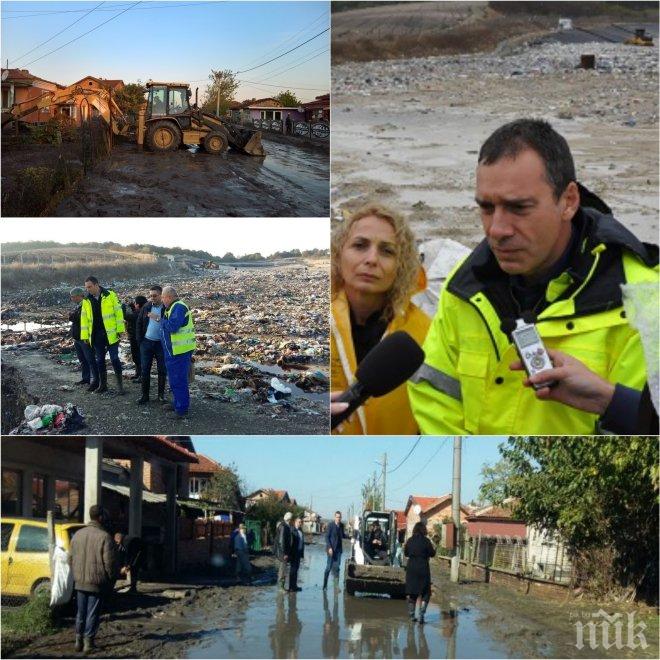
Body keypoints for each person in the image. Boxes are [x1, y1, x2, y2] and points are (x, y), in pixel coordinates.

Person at [409, 118, 658, 435]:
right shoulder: (465, 285)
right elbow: (433, 391)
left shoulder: (643, 300)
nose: (497, 230)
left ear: (568, 201)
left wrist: (610, 402)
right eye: (486, 207)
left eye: (519, 208)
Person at [331, 204, 431, 434]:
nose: (372, 259)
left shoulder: (426, 333)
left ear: (402, 265)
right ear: (338, 254)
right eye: (360, 245)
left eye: (387, 251)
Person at [69, 505, 116, 653]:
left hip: (79, 581)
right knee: (92, 613)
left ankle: (78, 641)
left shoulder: (77, 535)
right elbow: (109, 563)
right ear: (100, 517)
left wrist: (76, 573)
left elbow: (70, 558)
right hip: (96, 582)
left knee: (80, 612)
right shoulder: (105, 537)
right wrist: (111, 579)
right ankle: (88, 643)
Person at [148, 286, 196, 419]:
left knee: (178, 380)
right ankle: (177, 403)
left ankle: (181, 410)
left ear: (168, 297)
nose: (162, 300)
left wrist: (159, 319)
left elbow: (173, 327)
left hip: (179, 352)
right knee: (174, 380)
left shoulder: (179, 307)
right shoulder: (173, 307)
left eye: (163, 297)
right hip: (173, 352)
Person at [81, 276, 126, 395]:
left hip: (111, 334)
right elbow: (84, 320)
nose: (88, 289)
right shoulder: (86, 301)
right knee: (100, 360)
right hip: (96, 336)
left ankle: (120, 386)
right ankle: (103, 385)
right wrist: (85, 336)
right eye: (86, 288)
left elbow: (118, 312)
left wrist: (120, 329)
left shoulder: (110, 295)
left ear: (97, 285)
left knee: (115, 359)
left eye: (89, 287)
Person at [136, 285, 167, 405]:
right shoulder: (147, 306)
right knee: (145, 370)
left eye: (155, 295)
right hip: (146, 343)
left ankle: (160, 396)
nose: (152, 298)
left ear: (161, 295)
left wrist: (158, 318)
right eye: (150, 296)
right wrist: (140, 341)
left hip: (161, 344)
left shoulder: (166, 307)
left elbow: (169, 323)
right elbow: (139, 322)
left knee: (162, 370)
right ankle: (145, 396)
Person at [404, 522, 436, 624]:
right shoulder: (426, 541)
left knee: (412, 592)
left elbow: (406, 553)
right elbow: (432, 554)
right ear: (424, 530)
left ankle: (412, 615)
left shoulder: (409, 541)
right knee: (426, 592)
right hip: (423, 568)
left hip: (412, 568)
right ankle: (422, 613)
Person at [69, 287, 98, 389]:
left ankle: (95, 381)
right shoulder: (78, 306)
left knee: (90, 359)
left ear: (78, 296)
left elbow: (77, 318)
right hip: (77, 338)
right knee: (83, 360)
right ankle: (86, 379)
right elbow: (73, 317)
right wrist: (73, 316)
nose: (71, 299)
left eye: (72, 297)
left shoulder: (86, 305)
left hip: (84, 338)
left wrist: (72, 316)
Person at [123, 296, 147, 382]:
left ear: (138, 304)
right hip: (136, 337)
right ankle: (138, 373)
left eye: (135, 303)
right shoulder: (143, 311)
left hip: (137, 338)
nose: (134, 304)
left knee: (138, 357)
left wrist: (124, 307)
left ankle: (141, 375)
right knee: (136, 357)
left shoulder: (140, 313)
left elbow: (128, 317)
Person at [323, 511, 346, 590]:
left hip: (338, 551)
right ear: (334, 517)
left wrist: (351, 537)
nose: (338, 518)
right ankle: (325, 585)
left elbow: (343, 535)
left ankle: (336, 587)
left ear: (341, 518)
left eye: (339, 517)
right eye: (337, 517)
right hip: (331, 550)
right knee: (329, 568)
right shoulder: (330, 525)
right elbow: (327, 537)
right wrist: (329, 547)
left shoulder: (342, 526)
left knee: (337, 568)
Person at [275, 512, 293, 592]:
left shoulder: (285, 526)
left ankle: (282, 586)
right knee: (282, 570)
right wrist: (284, 553)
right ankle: (281, 587)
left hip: (284, 553)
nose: (292, 521)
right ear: (289, 519)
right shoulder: (283, 527)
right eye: (291, 519)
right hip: (283, 553)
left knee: (284, 569)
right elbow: (281, 541)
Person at [289, 517, 305, 592]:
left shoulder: (300, 531)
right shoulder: (292, 530)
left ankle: (294, 586)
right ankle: (291, 587)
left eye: (301, 522)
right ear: (295, 522)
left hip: (299, 553)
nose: (300, 523)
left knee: (296, 570)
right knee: (293, 570)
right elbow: (290, 542)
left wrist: (302, 554)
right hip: (293, 553)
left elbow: (302, 542)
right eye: (298, 522)